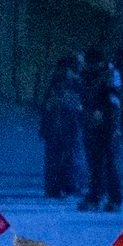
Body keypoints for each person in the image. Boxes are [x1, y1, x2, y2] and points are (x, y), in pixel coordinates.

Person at [40, 57, 83, 202]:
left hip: (59, 126)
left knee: (57, 158)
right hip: (64, 126)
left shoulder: (56, 82)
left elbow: (46, 105)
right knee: (64, 158)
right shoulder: (72, 82)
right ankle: (62, 187)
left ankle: (57, 187)